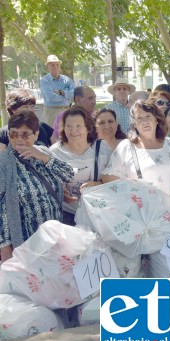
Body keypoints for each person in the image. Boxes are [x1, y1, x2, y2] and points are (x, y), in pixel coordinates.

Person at [0, 110, 73, 261]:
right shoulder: (3, 164)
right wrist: (5, 250)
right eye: (13, 134)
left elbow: (68, 175)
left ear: (36, 134)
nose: (19, 139)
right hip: (28, 244)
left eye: (25, 134)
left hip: (56, 238)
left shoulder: (43, 152)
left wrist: (44, 157)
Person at [102, 101, 170, 201]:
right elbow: (108, 177)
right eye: (139, 118)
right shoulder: (126, 147)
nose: (145, 121)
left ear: (156, 119)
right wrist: (132, 196)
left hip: (169, 210)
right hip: (138, 211)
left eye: (148, 116)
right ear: (134, 123)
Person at [49, 106, 113, 225]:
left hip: (99, 212)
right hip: (68, 215)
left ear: (88, 128)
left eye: (78, 126)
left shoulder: (102, 147)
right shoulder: (54, 152)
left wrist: (98, 184)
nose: (73, 131)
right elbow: (48, 183)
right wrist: (59, 191)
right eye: (69, 126)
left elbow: (115, 178)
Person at [39, 55, 73, 126]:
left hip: (67, 110)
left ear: (60, 67)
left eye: (57, 65)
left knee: (67, 134)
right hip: (52, 111)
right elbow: (51, 97)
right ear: (47, 67)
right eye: (52, 65)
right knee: (52, 134)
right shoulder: (44, 81)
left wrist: (61, 92)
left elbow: (73, 94)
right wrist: (66, 95)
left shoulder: (67, 80)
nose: (55, 67)